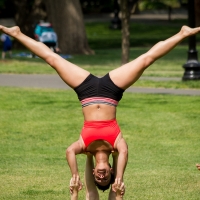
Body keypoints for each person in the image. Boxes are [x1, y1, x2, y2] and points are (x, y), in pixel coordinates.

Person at [0, 24, 199, 200]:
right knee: (146, 59)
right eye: (106, 178)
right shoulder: (116, 146)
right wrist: (119, 179)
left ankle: (17, 34)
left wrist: (75, 174)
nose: (101, 177)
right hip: (111, 91)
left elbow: (69, 151)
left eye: (98, 178)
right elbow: (124, 153)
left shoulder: (84, 147)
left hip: (85, 91)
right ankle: (182, 33)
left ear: (93, 171)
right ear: (111, 170)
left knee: (53, 59)